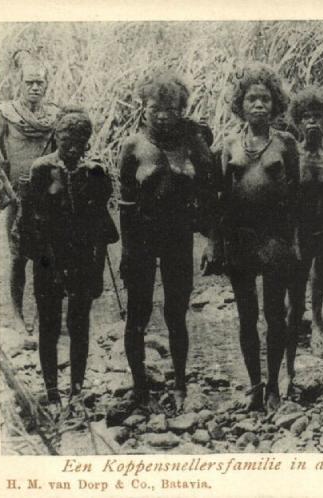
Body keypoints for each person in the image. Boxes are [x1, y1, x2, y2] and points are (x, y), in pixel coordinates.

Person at [118, 72, 214, 411]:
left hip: (178, 236)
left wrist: (211, 235)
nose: (161, 115)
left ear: (181, 110)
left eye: (170, 109)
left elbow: (210, 184)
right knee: (138, 314)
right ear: (142, 108)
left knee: (176, 313)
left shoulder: (192, 141)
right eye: (154, 108)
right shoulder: (132, 147)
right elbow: (125, 206)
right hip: (142, 237)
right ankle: (140, 387)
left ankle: (181, 383)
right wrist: (126, 253)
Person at [207, 63, 299, 412]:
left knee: (275, 315)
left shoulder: (287, 143)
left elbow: (297, 196)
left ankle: (275, 385)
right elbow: (219, 198)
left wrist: (294, 242)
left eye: (265, 99)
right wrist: (216, 242)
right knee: (247, 315)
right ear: (240, 104)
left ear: (275, 104)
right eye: (251, 99)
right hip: (240, 236)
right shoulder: (229, 143)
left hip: (274, 236)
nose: (258, 105)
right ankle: (254, 386)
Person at [15, 108, 114, 415]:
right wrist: (35, 259)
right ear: (56, 136)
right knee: (48, 323)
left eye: (81, 138)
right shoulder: (41, 169)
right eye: (66, 137)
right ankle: (52, 391)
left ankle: (77, 390)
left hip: (83, 257)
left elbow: (102, 228)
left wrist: (98, 271)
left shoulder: (95, 172)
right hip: (48, 257)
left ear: (88, 141)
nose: (73, 144)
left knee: (79, 322)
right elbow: (27, 220)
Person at [287, 85, 323, 389]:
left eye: (317, 116)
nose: (311, 122)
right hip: (299, 235)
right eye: (306, 116)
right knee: (294, 303)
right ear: (298, 119)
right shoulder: (290, 154)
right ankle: (289, 369)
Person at [0, 52, 60, 335]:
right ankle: (18, 315)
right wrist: (6, 186)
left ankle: (44, 315)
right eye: (30, 82)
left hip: (47, 195)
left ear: (46, 86)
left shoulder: (55, 116)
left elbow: (63, 153)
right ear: (19, 84)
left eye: (40, 83)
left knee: (48, 254)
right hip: (16, 195)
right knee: (18, 256)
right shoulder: (5, 114)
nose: (35, 87)